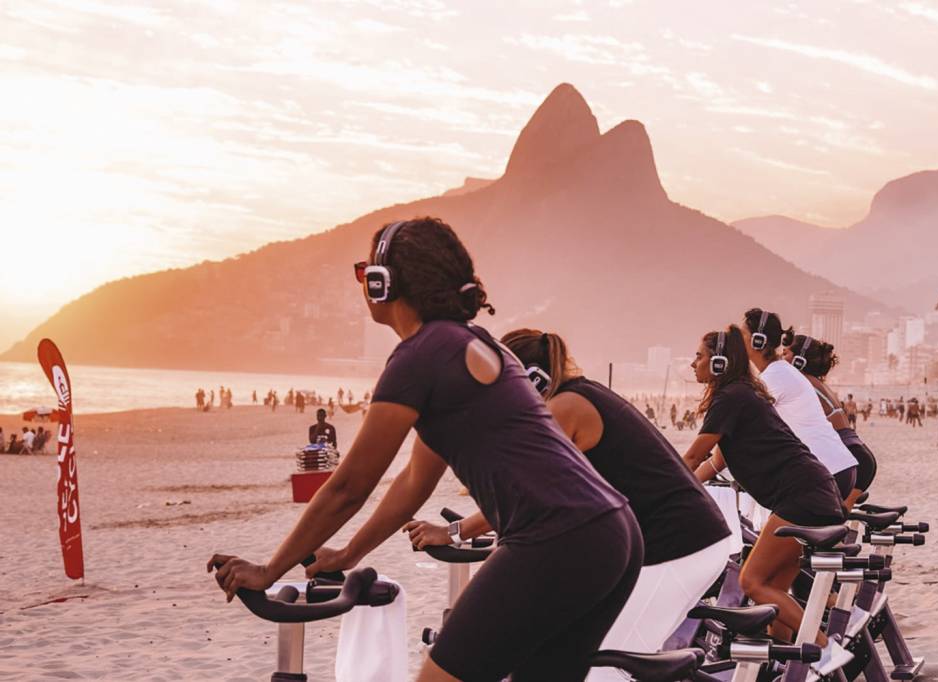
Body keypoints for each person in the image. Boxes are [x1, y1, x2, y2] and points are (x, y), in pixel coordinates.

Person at [208, 217, 640, 682]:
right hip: (613, 534)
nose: (363, 284)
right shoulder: (473, 345)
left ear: (382, 283)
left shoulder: (420, 356)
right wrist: (348, 554)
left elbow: (350, 487)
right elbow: (414, 481)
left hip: (554, 538)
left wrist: (271, 570)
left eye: (364, 274)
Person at [408, 329, 732, 674]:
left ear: (530, 379)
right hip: (670, 540)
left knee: (606, 668)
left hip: (679, 546)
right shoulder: (578, 394)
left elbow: (524, 489)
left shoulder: (564, 408)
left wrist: (454, 532)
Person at [683, 326, 845, 644]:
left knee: (752, 581)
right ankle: (788, 664)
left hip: (801, 498)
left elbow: (691, 458)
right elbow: (715, 462)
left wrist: (657, 494)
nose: (693, 363)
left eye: (699, 356)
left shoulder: (730, 397)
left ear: (719, 363)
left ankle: (827, 652)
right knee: (774, 588)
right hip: (813, 491)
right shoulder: (741, 393)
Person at [741, 309, 858, 500]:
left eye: (742, 334)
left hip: (828, 470)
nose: (738, 340)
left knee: (774, 529)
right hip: (838, 466)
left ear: (758, 341)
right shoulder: (780, 372)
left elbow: (745, 424)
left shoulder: (775, 377)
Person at [782, 335, 878, 509]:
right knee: (833, 522)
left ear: (798, 361)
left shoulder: (803, 382)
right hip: (858, 454)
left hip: (849, 455)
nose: (782, 357)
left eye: (786, 353)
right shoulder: (816, 383)